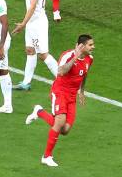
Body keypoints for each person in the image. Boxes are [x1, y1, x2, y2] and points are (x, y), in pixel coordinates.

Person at [25, 34, 94, 167]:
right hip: (60, 92)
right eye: (90, 45)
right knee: (60, 122)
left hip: (72, 96)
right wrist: (75, 57)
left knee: (65, 130)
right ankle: (46, 156)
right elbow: (61, 72)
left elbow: (84, 74)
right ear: (81, 46)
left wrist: (81, 90)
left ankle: (39, 112)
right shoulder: (67, 55)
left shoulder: (89, 59)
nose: (93, 47)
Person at [12, 0, 58, 91]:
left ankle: (62, 80)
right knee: (30, 51)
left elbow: (32, 6)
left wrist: (23, 23)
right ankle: (26, 82)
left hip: (37, 23)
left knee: (43, 54)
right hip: (32, 23)